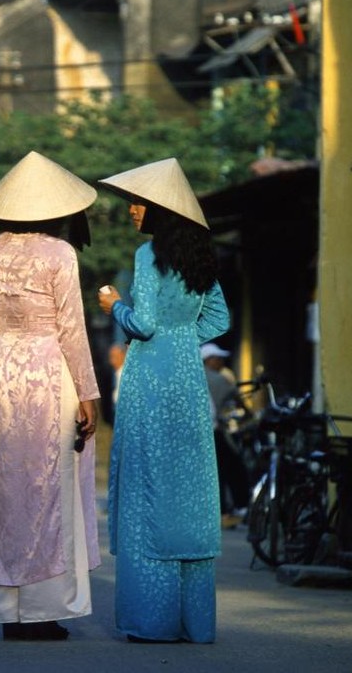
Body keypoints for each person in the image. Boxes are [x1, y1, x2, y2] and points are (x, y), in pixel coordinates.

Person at [0, 151, 101, 642]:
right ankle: (44, 609)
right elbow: (72, 329)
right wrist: (89, 393)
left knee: (5, 489)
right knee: (50, 487)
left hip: (3, 375)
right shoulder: (59, 254)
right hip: (47, 375)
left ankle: (7, 608)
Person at [97, 157, 231, 644]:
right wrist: (181, 338)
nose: (133, 211)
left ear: (160, 211)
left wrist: (116, 306)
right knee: (189, 493)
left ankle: (152, 622)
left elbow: (144, 325)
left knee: (146, 490)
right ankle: (195, 622)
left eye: (139, 203)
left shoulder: (148, 256)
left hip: (150, 380)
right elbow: (218, 320)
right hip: (188, 379)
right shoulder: (199, 258)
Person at [201, 343, 250, 526]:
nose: (221, 361)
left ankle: (220, 511)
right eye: (217, 358)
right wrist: (249, 414)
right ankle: (235, 508)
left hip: (200, 433)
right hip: (214, 430)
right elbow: (236, 400)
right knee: (230, 468)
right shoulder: (218, 379)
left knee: (215, 473)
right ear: (209, 360)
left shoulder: (191, 376)